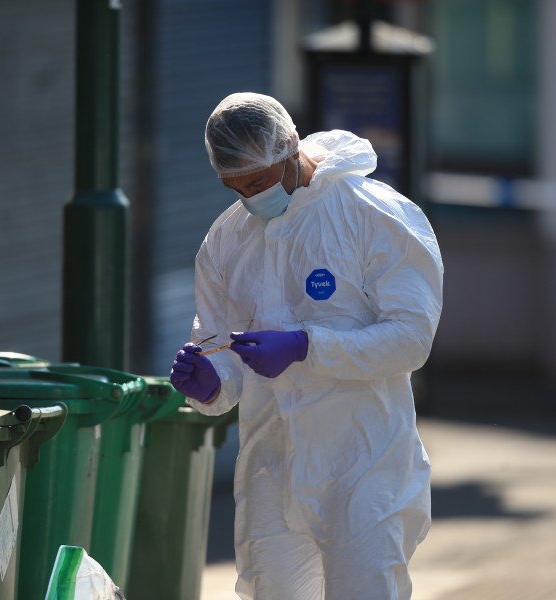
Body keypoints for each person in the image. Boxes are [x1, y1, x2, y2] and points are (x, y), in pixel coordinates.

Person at [169, 92, 443, 600]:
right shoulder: (227, 239)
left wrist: (305, 346)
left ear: (290, 148)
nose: (250, 198)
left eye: (257, 182)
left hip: (364, 463)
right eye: (235, 188)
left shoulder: (375, 216)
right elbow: (217, 343)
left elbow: (411, 339)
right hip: (271, 465)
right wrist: (209, 384)